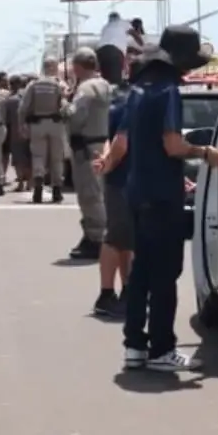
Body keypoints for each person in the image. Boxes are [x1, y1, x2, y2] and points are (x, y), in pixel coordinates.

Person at [100, 26, 218, 372]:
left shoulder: (139, 89)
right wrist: (204, 151)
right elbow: (172, 144)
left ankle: (135, 346)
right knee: (165, 274)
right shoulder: (168, 91)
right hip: (161, 194)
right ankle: (162, 349)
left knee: (141, 273)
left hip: (137, 190)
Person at [92, 64, 134, 317]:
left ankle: (127, 288)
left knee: (126, 240)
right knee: (116, 237)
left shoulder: (120, 100)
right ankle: (106, 294)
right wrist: (110, 163)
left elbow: (112, 140)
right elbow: (120, 143)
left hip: (123, 178)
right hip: (123, 179)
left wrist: (107, 161)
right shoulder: (132, 102)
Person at [65, 47, 111, 259]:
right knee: (98, 193)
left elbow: (75, 116)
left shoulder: (86, 88)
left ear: (78, 67)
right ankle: (95, 235)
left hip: (87, 146)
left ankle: (96, 239)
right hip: (102, 143)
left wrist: (63, 105)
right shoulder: (105, 85)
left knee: (89, 194)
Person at [20, 58, 66, 203]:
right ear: (54, 68)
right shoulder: (59, 85)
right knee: (57, 158)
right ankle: (57, 191)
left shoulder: (33, 85)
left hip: (37, 124)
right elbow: (64, 105)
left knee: (38, 157)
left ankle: (38, 189)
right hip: (56, 124)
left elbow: (23, 107)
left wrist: (22, 124)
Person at [4, 75, 28, 191]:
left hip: (16, 132)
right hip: (30, 131)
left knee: (18, 159)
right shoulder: (29, 96)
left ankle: (21, 183)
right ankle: (30, 183)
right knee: (29, 158)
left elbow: (6, 119)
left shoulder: (11, 99)